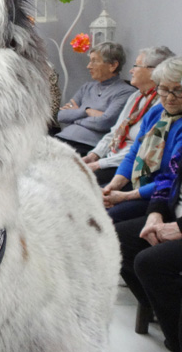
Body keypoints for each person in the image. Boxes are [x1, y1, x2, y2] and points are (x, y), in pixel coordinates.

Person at [116, 147, 182, 352]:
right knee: (120, 239)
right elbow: (168, 177)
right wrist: (155, 215)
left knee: (152, 262)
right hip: (173, 213)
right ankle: (175, 336)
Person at [102, 56, 182, 222]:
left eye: (178, 90)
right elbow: (133, 154)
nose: (170, 97)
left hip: (162, 196)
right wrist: (113, 186)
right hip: (140, 181)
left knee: (106, 219)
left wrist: (125, 196)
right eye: (164, 89)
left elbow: (172, 178)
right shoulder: (156, 112)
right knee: (90, 200)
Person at [82, 46, 174, 184]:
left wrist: (100, 164)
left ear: (153, 71)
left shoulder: (163, 104)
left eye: (136, 66)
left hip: (129, 168)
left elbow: (141, 150)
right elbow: (115, 131)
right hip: (111, 159)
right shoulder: (136, 96)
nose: (131, 70)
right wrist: (94, 155)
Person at [56, 41, 135, 155]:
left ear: (113, 65)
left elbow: (104, 123)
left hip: (88, 146)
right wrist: (87, 111)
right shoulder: (87, 87)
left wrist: (75, 116)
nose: (89, 66)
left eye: (94, 61)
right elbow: (61, 116)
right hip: (61, 138)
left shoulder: (126, 92)